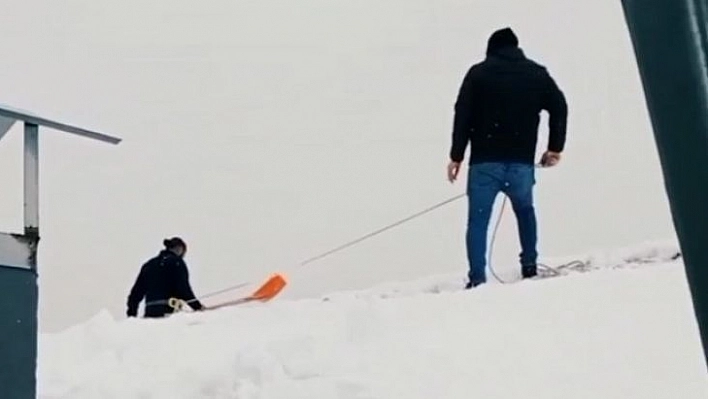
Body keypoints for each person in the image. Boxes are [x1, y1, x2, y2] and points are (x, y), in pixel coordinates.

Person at [447, 27, 568, 289]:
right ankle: (530, 266)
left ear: (491, 49)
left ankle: (477, 278)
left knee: (478, 221)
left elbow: (462, 114)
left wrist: (456, 156)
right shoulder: (536, 73)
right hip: (520, 164)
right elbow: (559, 105)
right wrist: (554, 147)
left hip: (484, 163)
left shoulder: (478, 74)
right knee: (525, 212)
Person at [126, 237, 205, 317]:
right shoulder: (176, 263)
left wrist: (131, 315)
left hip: (150, 315)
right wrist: (197, 307)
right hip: (169, 312)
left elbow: (135, 294)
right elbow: (183, 289)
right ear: (180, 249)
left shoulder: (149, 265)